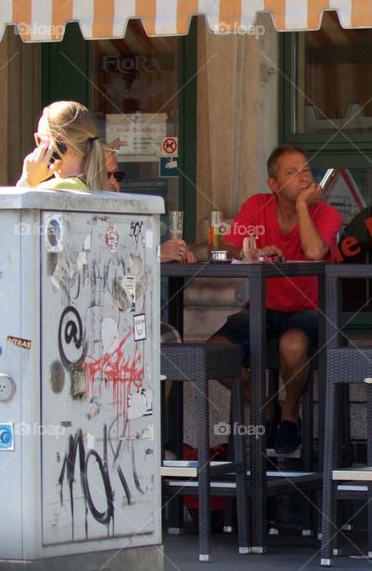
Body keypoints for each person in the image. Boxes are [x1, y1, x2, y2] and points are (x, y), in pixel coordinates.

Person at [210, 145, 342, 453]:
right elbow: (228, 247)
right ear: (273, 183)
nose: (303, 177)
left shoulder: (326, 213)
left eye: (306, 170)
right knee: (214, 355)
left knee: (292, 345)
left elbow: (313, 252)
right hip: (261, 309)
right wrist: (251, 250)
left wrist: (301, 208)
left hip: (309, 310)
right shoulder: (257, 205)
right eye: (292, 172)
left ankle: (289, 414)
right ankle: (267, 407)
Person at [104, 148, 196, 263]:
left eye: (117, 175)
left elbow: (133, 250)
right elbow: (105, 261)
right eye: (106, 175)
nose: (113, 181)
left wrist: (177, 252)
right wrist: (158, 253)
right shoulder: (84, 218)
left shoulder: (125, 215)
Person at [16, 101, 108, 191]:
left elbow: (14, 204)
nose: (38, 146)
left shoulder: (55, 188)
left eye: (40, 139)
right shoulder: (90, 186)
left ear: (60, 143)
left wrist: (28, 181)